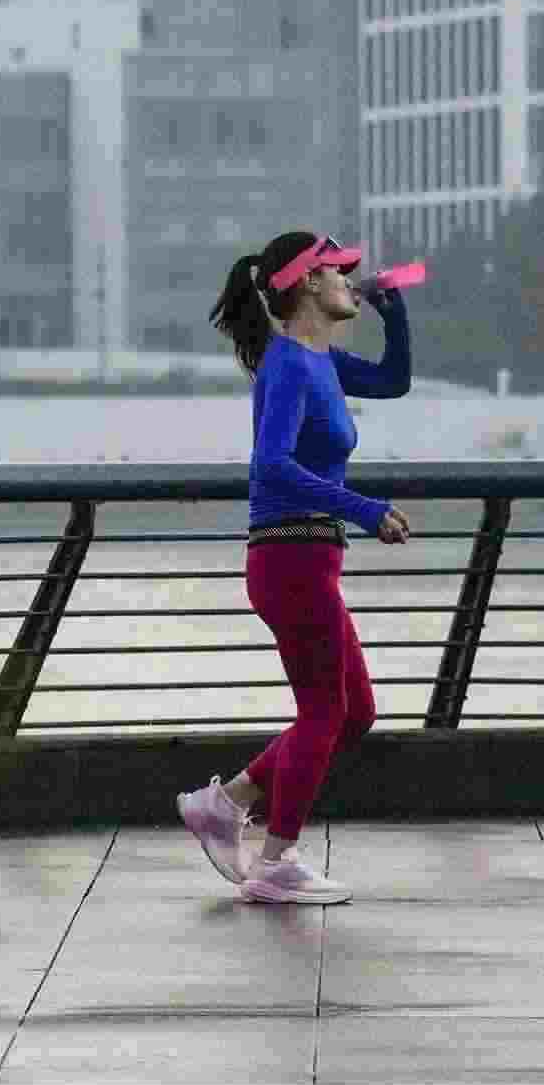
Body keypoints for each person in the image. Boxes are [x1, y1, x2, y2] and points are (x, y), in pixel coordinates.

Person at [174, 229, 410, 906]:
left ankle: (227, 802)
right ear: (308, 282)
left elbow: (393, 380)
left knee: (354, 713)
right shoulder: (287, 366)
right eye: (340, 270)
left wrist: (395, 313)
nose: (351, 281)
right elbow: (271, 464)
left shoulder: (322, 360)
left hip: (312, 558)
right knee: (324, 711)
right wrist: (363, 508)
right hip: (289, 558)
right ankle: (276, 861)